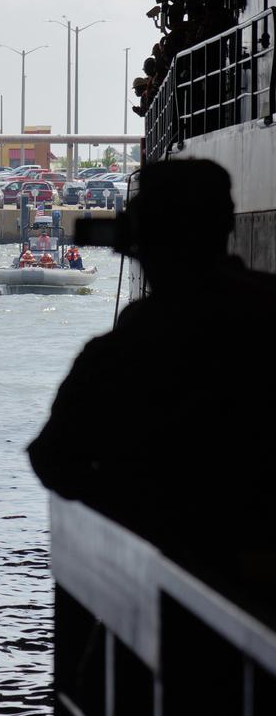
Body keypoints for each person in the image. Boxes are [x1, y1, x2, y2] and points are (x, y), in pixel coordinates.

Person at [27, 159, 276, 593]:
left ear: (139, 243)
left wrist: (144, 505)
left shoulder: (123, 351)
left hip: (183, 582)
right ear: (224, 228)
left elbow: (53, 459)